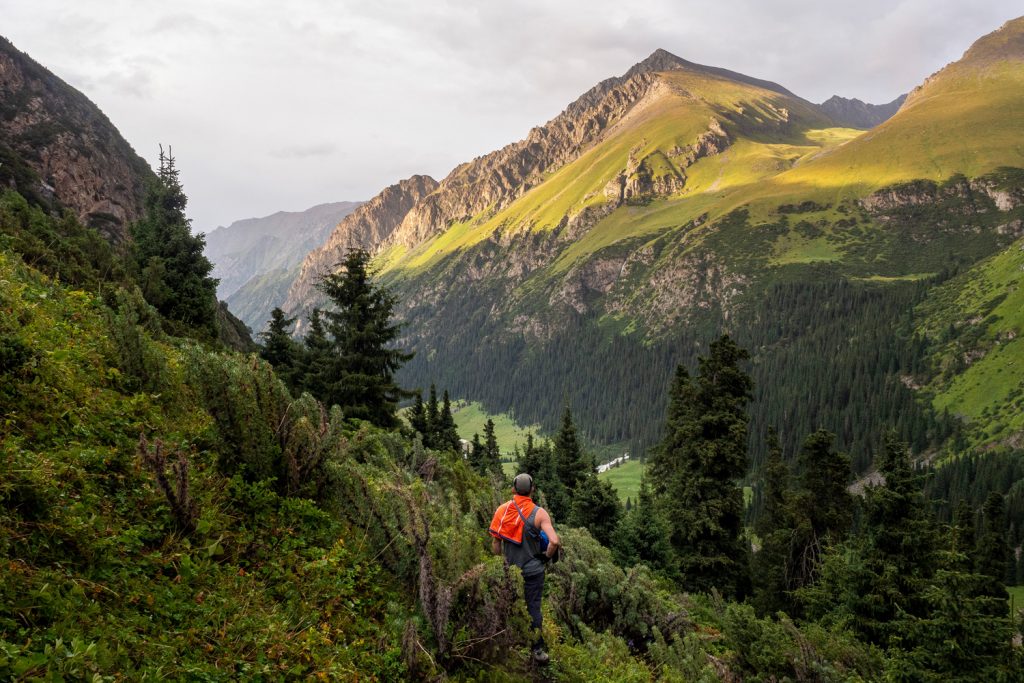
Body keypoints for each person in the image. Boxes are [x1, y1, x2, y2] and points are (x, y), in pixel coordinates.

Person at [488, 473, 561, 665]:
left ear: (513, 489)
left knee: (509, 603)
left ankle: (506, 642)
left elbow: (496, 543)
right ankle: (537, 649)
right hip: (534, 571)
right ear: (532, 489)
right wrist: (545, 557)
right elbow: (554, 541)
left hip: (510, 571)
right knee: (533, 608)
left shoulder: (502, 510)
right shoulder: (539, 513)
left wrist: (501, 562)